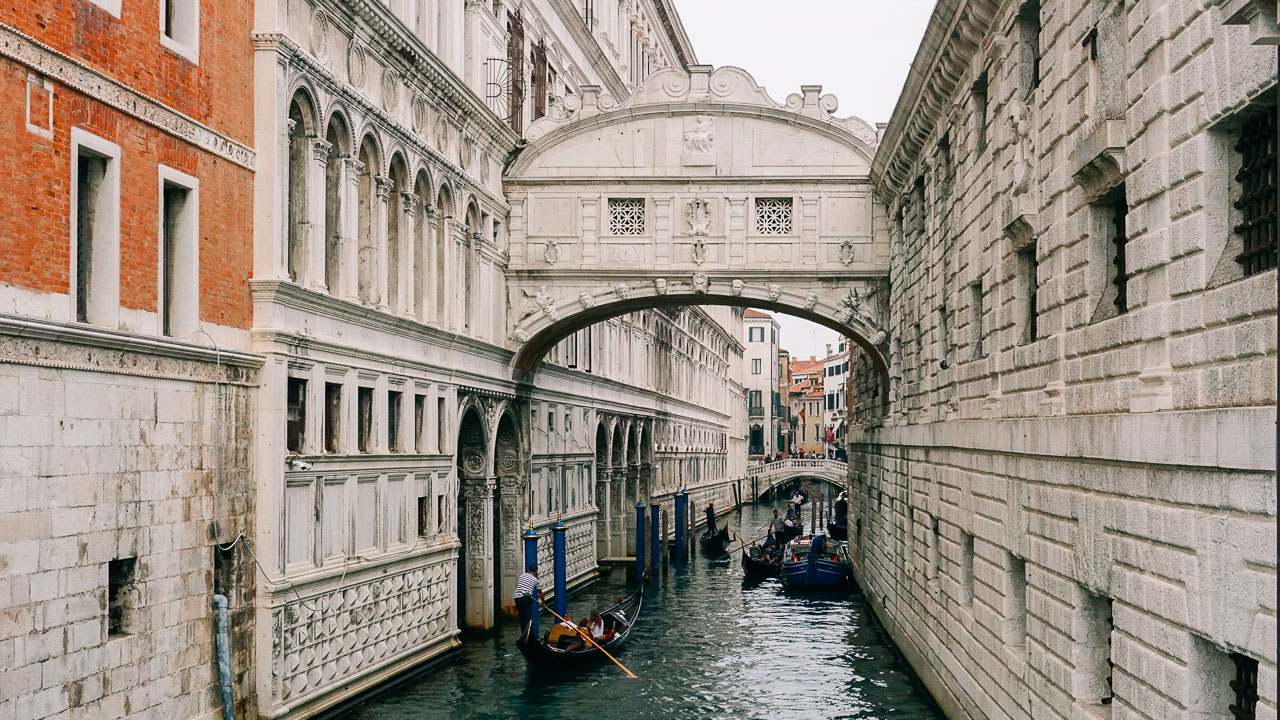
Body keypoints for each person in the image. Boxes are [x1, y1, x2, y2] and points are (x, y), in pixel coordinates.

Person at [513, 564, 540, 643]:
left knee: (522, 618)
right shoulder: (536, 580)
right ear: (535, 572)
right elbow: (540, 593)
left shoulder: (522, 575)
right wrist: (543, 602)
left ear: (529, 570)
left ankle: (524, 636)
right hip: (525, 598)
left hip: (517, 597)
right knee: (528, 619)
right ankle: (528, 638)